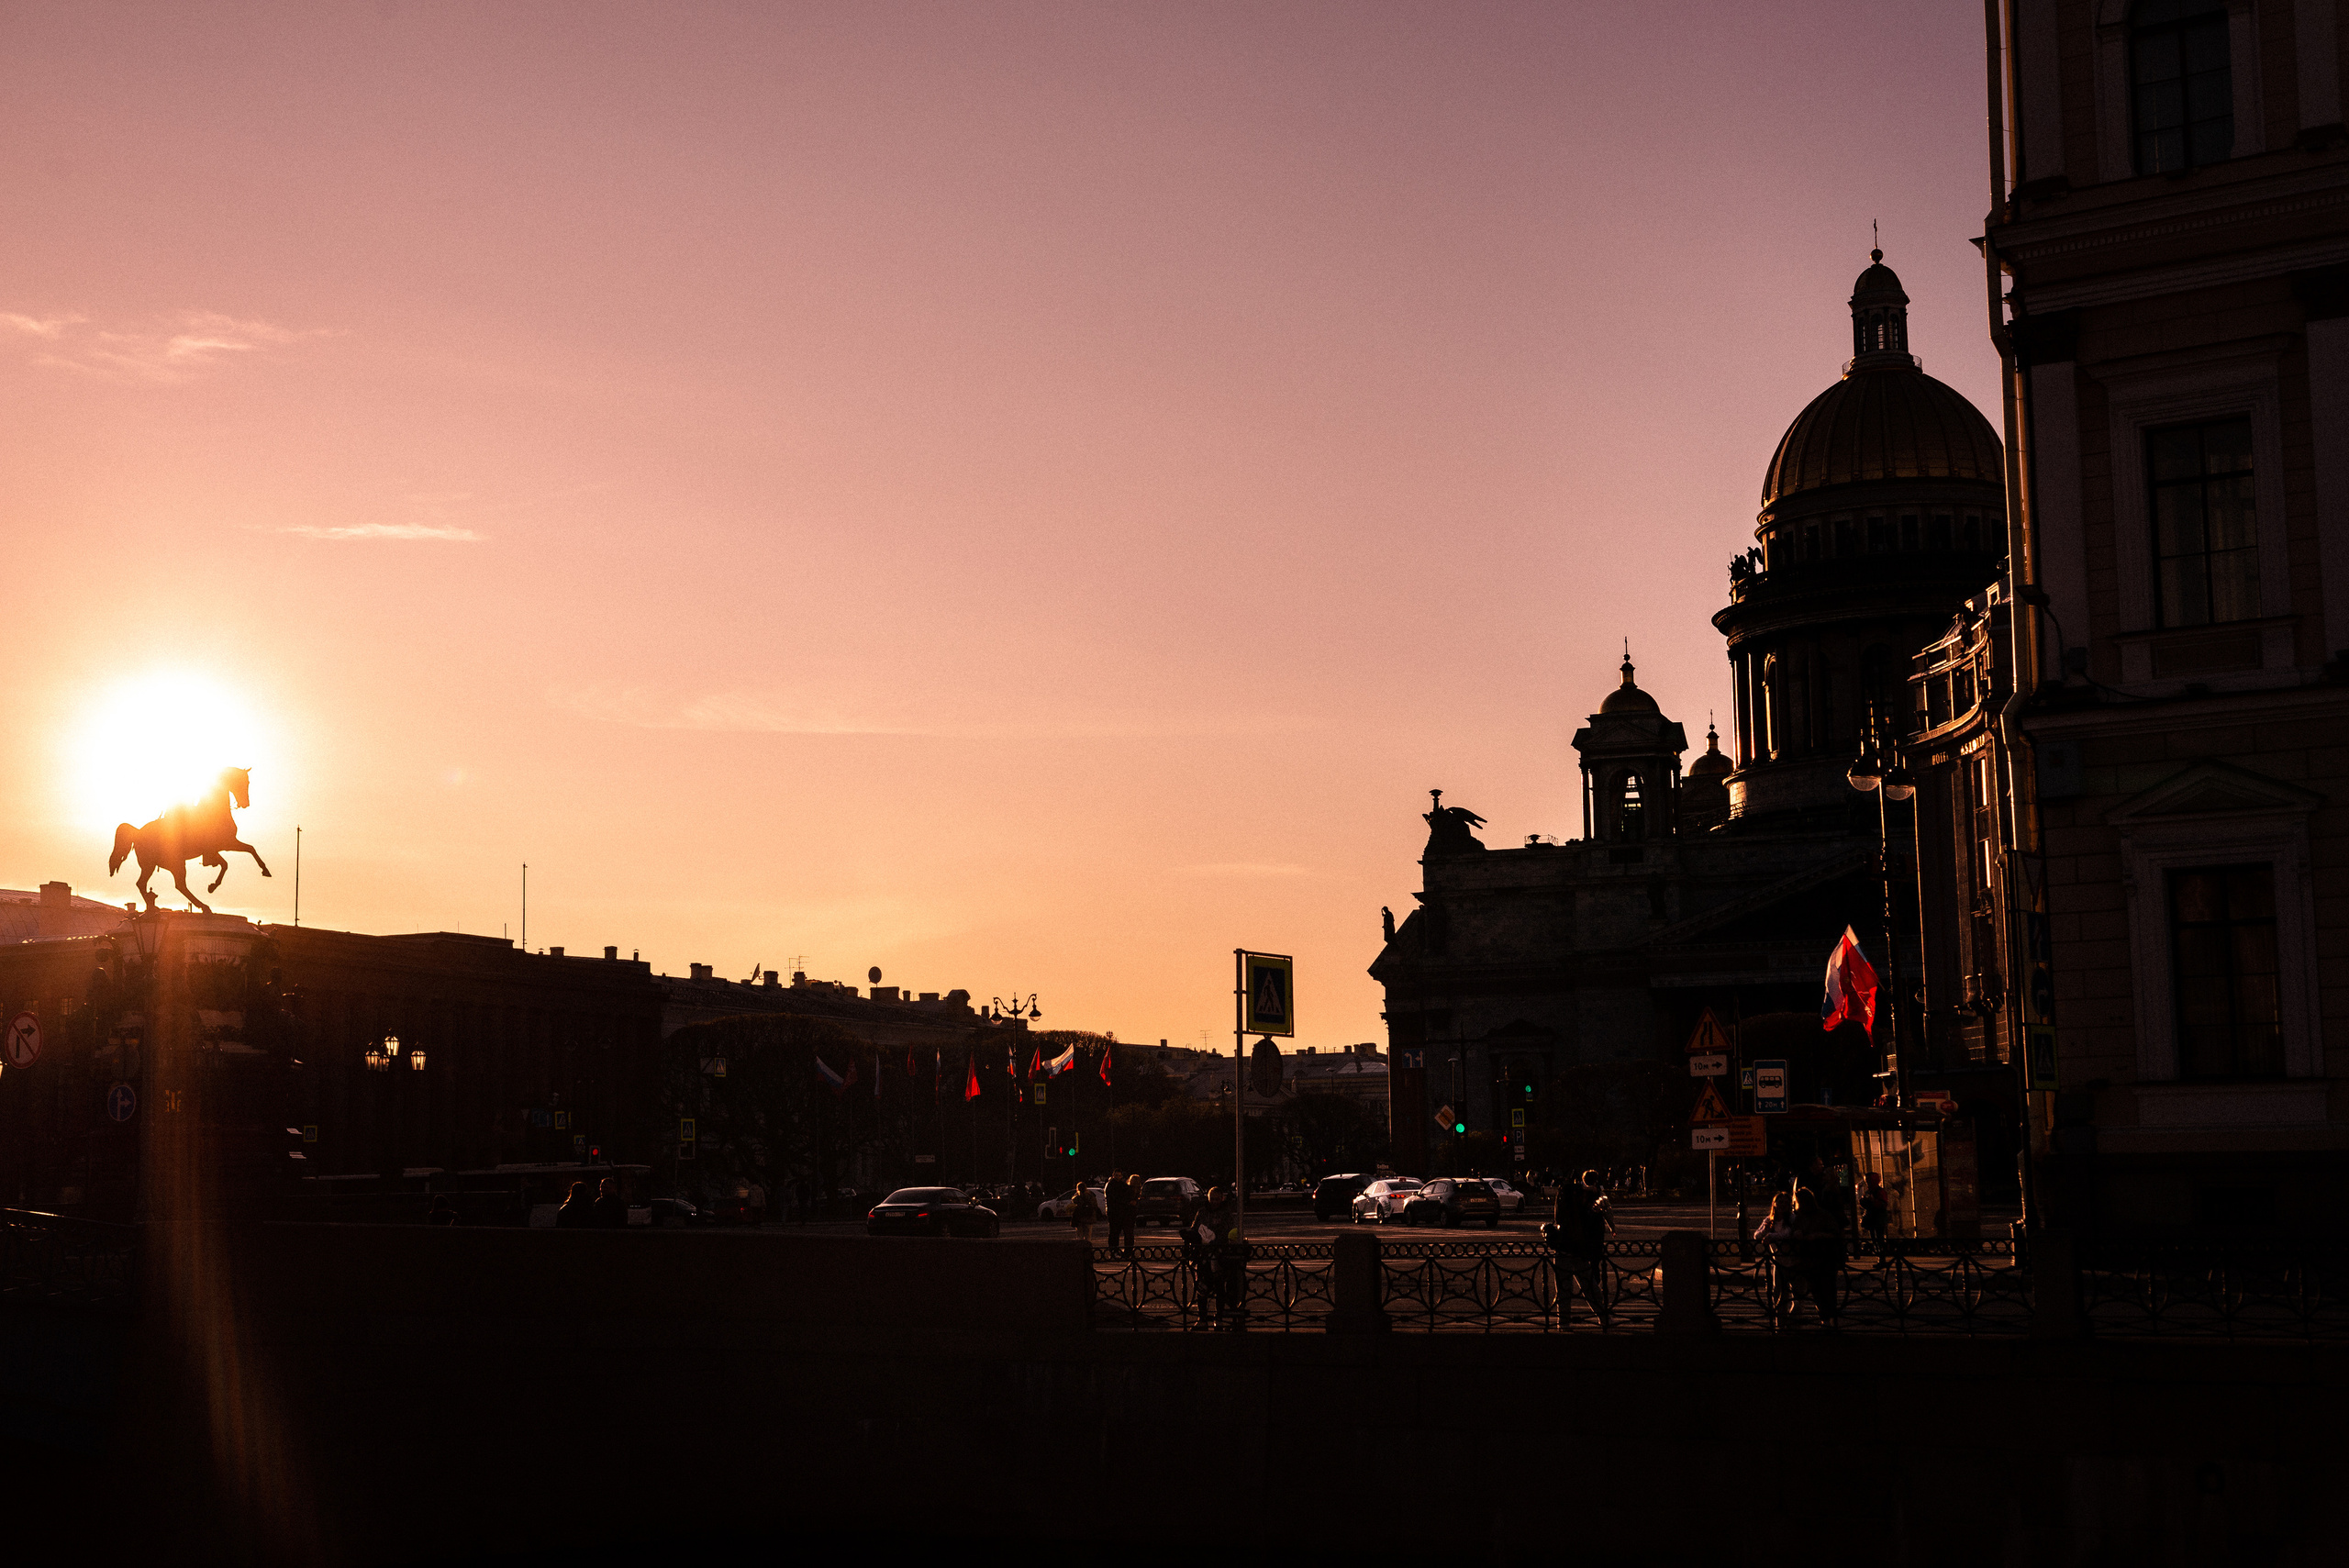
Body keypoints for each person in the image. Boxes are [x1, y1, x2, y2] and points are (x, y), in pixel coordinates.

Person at [1545, 1172, 1611, 1329]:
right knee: (1589, 1288)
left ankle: (1564, 1323)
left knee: (1565, 1290)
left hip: (1566, 1248)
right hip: (1577, 1250)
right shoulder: (1577, 1198)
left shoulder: (1567, 1199)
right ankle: (1602, 1318)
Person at [1791, 1184, 1844, 1328]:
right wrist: (1797, 1234)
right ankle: (1826, 1318)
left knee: (1826, 1289)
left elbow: (1834, 1234)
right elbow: (1795, 1231)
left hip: (1824, 1257)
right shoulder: (1801, 1217)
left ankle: (1830, 1318)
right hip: (1810, 1258)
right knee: (1817, 1290)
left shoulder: (1822, 1215)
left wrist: (1817, 1236)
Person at [1753, 1192, 1797, 1320]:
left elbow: (1790, 1234)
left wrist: (1772, 1237)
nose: (1783, 1205)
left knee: (1796, 1293)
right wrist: (1765, 1230)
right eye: (1780, 1202)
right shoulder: (1769, 1220)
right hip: (1778, 1261)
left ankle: (1794, 1321)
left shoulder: (1792, 1219)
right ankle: (1780, 1322)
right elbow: (1757, 1235)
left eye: (1786, 1202)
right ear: (1774, 1204)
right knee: (1778, 1292)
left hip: (1793, 1260)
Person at [1104, 1172, 1135, 1255]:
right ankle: (1114, 1249)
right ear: (1113, 1175)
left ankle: (1115, 1249)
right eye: (1116, 1175)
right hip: (1114, 1212)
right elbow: (1113, 1198)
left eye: (1119, 1175)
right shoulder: (1111, 1185)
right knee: (1114, 1232)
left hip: (1119, 1212)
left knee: (1116, 1232)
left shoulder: (1121, 1184)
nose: (1118, 1177)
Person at [1859, 1173, 1888, 1255]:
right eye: (1866, 1181)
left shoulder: (1879, 1191)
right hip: (1873, 1218)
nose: (1867, 1183)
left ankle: (1881, 1255)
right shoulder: (1870, 1191)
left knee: (1879, 1237)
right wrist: (1863, 1201)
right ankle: (1879, 1254)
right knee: (1874, 1238)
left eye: (1869, 1181)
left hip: (1878, 1219)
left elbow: (1883, 1205)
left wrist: (1873, 1201)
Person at [1072, 1181, 1099, 1246]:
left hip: (1080, 1218)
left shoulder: (1077, 1197)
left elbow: (1073, 1201)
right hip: (1089, 1218)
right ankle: (1088, 1250)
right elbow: (1095, 1205)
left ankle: (1080, 1250)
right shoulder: (1090, 1195)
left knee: (1079, 1236)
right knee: (1088, 1237)